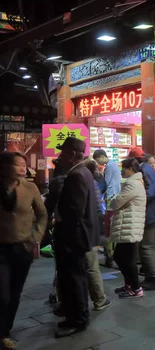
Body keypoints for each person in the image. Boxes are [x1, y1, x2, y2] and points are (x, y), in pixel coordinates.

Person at [49, 160, 111, 316]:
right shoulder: (88, 179)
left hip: (69, 231)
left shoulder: (59, 181)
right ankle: (99, 299)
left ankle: (65, 302)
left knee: (66, 269)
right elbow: (98, 205)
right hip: (88, 230)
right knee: (90, 266)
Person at [0, 152, 47, 349]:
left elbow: (43, 215)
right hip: (0, 249)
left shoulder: (30, 187)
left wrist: (34, 238)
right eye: (17, 164)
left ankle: (5, 332)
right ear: (4, 166)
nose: (22, 168)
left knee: (15, 292)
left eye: (23, 164)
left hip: (22, 248)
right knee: (2, 294)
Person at [54, 137, 100, 337]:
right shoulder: (82, 172)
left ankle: (79, 320)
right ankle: (74, 316)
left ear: (72, 155)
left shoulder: (77, 175)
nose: (60, 156)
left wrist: (63, 229)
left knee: (74, 279)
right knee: (73, 277)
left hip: (73, 236)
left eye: (63, 152)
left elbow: (75, 210)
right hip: (77, 234)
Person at [129, 148, 155, 290]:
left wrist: (135, 196)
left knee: (146, 246)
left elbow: (149, 192)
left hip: (152, 213)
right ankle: (151, 275)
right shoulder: (147, 168)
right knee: (147, 246)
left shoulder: (143, 170)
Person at [108, 158, 147, 298]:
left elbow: (117, 202)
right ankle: (130, 285)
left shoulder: (132, 184)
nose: (121, 171)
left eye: (123, 168)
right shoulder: (136, 182)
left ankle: (136, 288)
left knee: (126, 259)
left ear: (130, 168)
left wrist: (111, 201)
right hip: (129, 224)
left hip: (130, 225)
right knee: (120, 257)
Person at [93, 149, 120, 267]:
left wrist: (103, 198)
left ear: (102, 156)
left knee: (108, 229)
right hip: (113, 198)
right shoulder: (112, 164)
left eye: (98, 159)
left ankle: (110, 256)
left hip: (111, 199)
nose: (98, 162)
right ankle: (110, 255)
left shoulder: (109, 166)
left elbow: (108, 183)